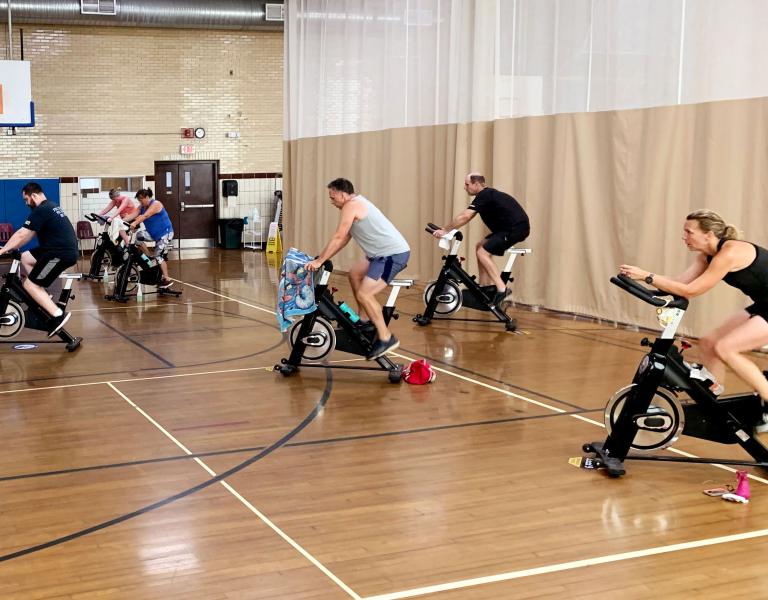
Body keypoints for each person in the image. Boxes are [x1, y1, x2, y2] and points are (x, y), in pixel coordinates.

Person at [619, 209, 768, 433]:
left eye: (689, 232)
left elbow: (692, 290)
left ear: (708, 234)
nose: (685, 237)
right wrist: (643, 282)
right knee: (708, 343)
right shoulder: (706, 256)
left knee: (726, 348)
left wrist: (647, 275)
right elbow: (680, 283)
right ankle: (712, 398)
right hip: (764, 304)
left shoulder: (729, 253)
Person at [305, 178, 410, 360]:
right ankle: (364, 321)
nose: (332, 201)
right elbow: (344, 238)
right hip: (378, 256)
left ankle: (386, 338)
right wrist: (322, 258)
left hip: (392, 255)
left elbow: (338, 236)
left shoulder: (351, 205)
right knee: (354, 274)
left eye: (333, 197)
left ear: (344, 194)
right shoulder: (354, 205)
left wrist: (320, 261)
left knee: (364, 294)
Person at [432, 172, 530, 307]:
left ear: (476, 184)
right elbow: (468, 217)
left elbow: (464, 217)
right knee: (480, 246)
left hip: (515, 229)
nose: (465, 188)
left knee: (482, 252)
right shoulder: (485, 196)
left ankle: (501, 289)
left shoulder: (485, 194)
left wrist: (445, 230)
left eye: (467, 184)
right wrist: (448, 230)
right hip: (506, 229)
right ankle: (485, 287)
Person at [0, 182, 78, 336]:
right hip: (55, 249)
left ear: (33, 196)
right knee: (26, 258)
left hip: (59, 254)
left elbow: (22, 234)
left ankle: (57, 315)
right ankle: (43, 294)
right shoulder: (50, 206)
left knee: (30, 285)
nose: (25, 203)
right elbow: (28, 235)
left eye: (26, 199)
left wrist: (3, 249)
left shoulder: (42, 209)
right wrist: (11, 248)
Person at [124, 188, 174, 288]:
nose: (140, 202)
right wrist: (118, 221)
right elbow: (131, 216)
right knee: (138, 237)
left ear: (147, 197)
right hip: (152, 233)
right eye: (138, 200)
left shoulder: (156, 204)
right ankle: (148, 257)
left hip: (165, 233)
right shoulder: (141, 207)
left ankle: (167, 279)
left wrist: (134, 223)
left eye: (141, 199)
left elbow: (146, 215)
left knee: (158, 255)